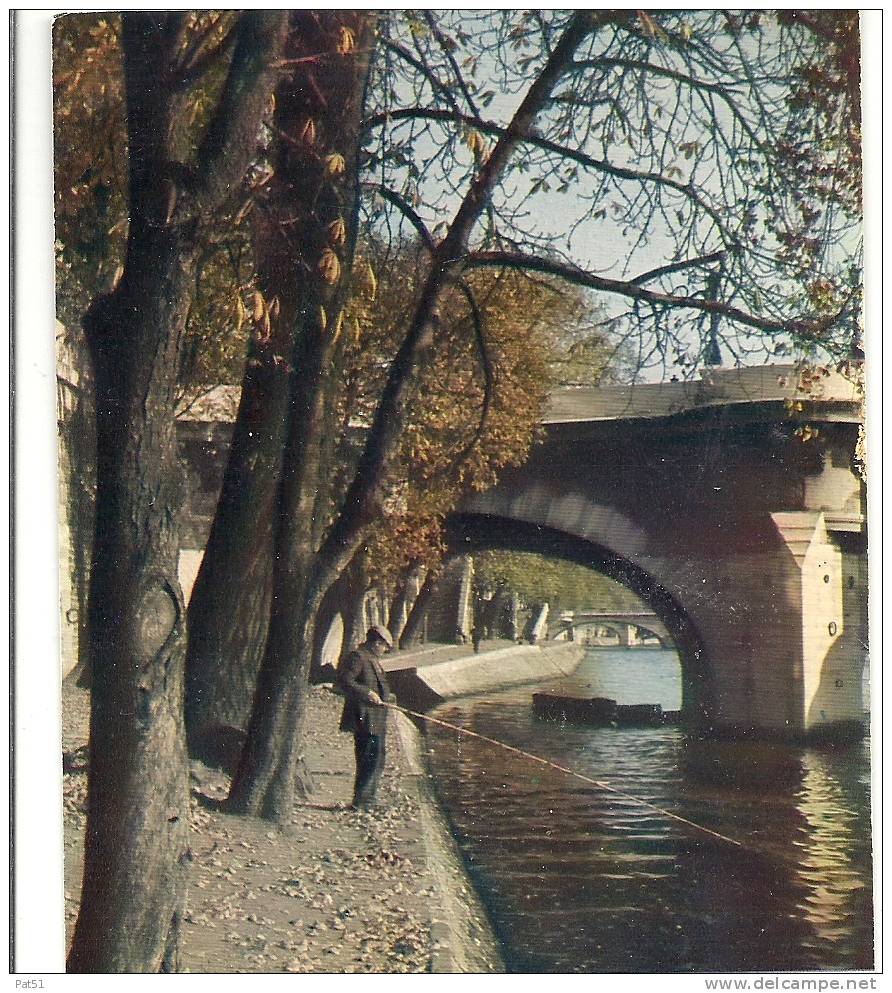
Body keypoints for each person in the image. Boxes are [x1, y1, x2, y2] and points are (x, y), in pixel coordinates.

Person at [336, 624, 394, 810]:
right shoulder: (358, 657)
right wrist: (367, 693)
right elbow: (345, 681)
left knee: (377, 758)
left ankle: (369, 799)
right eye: (384, 646)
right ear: (376, 642)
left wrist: (388, 697)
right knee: (368, 758)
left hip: (376, 718)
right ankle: (362, 802)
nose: (385, 650)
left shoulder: (372, 659)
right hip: (364, 718)